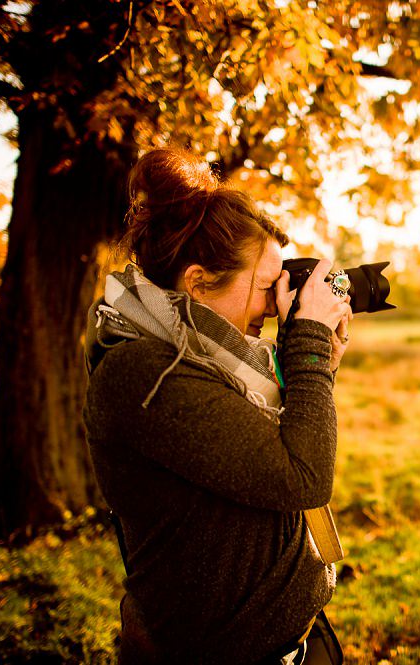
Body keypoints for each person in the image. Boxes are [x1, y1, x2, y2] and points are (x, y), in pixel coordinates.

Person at [83, 148, 351, 664]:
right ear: (199, 282)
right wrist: (310, 347)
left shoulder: (221, 359)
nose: (278, 305)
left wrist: (320, 364)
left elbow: (275, 451)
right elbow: (301, 476)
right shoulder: (145, 373)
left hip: (295, 644)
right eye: (268, 286)